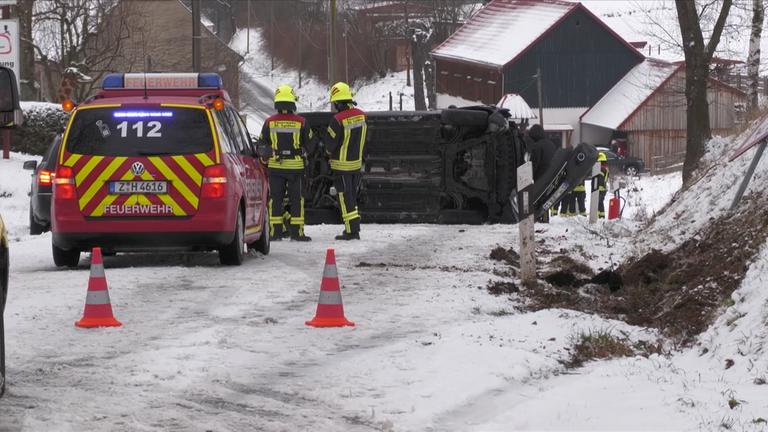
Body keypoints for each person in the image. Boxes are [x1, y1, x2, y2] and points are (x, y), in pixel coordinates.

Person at [259, 84, 313, 242]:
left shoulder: (269, 122)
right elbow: (311, 144)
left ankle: (275, 233)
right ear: (292, 103)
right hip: (296, 168)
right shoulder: (301, 122)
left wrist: (266, 156)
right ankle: (297, 233)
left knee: (275, 199)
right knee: (297, 200)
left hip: (276, 167)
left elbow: (262, 144)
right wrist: (304, 153)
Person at [325, 82, 367, 240]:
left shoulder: (337, 120)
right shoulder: (362, 115)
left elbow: (330, 145)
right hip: (356, 165)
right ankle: (354, 227)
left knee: (344, 197)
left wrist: (327, 153)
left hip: (341, 167)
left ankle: (351, 231)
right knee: (352, 197)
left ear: (337, 102)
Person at [526, 124, 557, 222]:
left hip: (540, 176)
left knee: (538, 197)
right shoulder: (551, 144)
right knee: (546, 197)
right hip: (551, 175)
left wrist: (529, 175)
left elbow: (534, 164)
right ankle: (545, 217)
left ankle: (539, 217)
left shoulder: (537, 146)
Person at [597, 152, 609, 218]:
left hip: (599, 189)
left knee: (598, 203)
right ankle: (601, 216)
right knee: (600, 203)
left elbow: (599, 180)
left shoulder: (601, 169)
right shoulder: (605, 168)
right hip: (603, 188)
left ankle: (599, 216)